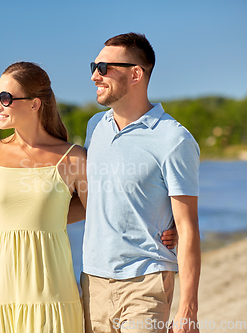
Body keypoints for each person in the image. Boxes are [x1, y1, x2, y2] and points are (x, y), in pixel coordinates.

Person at [77, 33, 201, 333]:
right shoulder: (95, 127)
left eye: (104, 67)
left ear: (136, 73)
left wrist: (188, 308)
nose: (95, 75)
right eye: (94, 66)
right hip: (92, 282)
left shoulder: (174, 138)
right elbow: (93, 201)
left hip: (146, 282)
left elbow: (188, 228)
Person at [0, 61, 89, 333]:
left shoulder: (74, 157)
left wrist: (165, 224)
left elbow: (98, 213)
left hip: (53, 295)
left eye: (5, 98)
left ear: (34, 105)